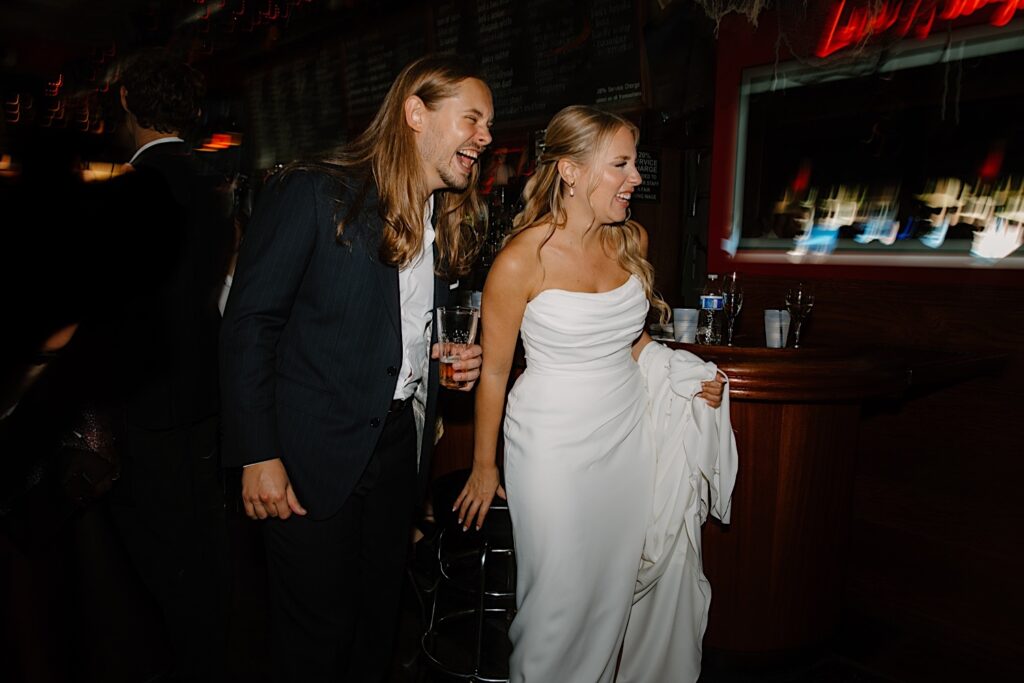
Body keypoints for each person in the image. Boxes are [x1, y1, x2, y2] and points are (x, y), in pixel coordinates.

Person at [219, 54, 491, 682]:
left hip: (398, 455)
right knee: (316, 641)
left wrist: (447, 358)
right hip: (307, 455)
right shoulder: (316, 191)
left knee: (376, 631)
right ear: (415, 113)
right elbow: (249, 324)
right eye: (472, 119)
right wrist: (257, 452)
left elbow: (394, 334)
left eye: (487, 125)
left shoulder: (441, 223)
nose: (484, 137)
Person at [455, 105, 727, 682]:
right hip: (552, 448)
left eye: (636, 164)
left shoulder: (631, 240)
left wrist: (683, 378)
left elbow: (631, 343)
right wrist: (483, 466)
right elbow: (497, 374)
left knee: (611, 593)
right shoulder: (518, 260)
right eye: (622, 165)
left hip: (628, 441)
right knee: (558, 600)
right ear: (571, 172)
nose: (636, 179)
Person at [98, 48, 232, 682]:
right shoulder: (212, 188)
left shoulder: (130, 194)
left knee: (158, 550)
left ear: (126, 103)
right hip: (205, 389)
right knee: (204, 540)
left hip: (148, 399)